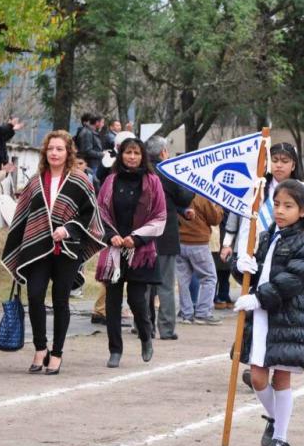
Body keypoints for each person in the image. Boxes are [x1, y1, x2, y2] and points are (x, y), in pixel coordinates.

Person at [2, 130, 104, 374]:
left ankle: (57, 352)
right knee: (35, 297)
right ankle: (40, 348)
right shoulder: (36, 181)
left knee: (61, 301)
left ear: (68, 152)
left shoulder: (80, 180)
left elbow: (90, 214)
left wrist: (68, 229)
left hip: (67, 250)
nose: (54, 153)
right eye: (50, 149)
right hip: (38, 249)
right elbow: (23, 216)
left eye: (59, 149)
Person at [232, 179, 304, 446]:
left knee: (281, 377)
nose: (280, 211)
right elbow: (257, 275)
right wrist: (241, 267)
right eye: (278, 204)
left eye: (289, 206)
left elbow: (293, 279)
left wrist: (258, 298)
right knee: (257, 377)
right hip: (261, 318)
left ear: (303, 211)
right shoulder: (270, 235)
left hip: (286, 317)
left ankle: (281, 439)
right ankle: (274, 418)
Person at [95, 138, 166, 368]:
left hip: (141, 250)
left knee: (137, 301)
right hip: (115, 249)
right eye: (128, 152)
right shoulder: (110, 181)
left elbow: (160, 217)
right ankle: (115, 350)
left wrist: (136, 238)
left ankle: (146, 337)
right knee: (112, 303)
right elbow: (100, 213)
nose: (132, 157)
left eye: (136, 153)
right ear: (121, 154)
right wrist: (110, 236)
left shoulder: (153, 181)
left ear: (142, 155)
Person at [145, 135, 194, 340]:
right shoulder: (169, 172)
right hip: (166, 235)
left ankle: (144, 326)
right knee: (165, 284)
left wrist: (182, 210)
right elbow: (182, 195)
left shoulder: (143, 173)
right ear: (164, 152)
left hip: (144, 236)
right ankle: (166, 329)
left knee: (145, 285)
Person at [176, 195, 224, 325]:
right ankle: (203, 313)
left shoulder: (179, 194)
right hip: (198, 242)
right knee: (209, 278)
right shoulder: (201, 196)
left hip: (179, 241)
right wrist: (219, 206)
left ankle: (186, 314)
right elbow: (215, 219)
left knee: (183, 280)